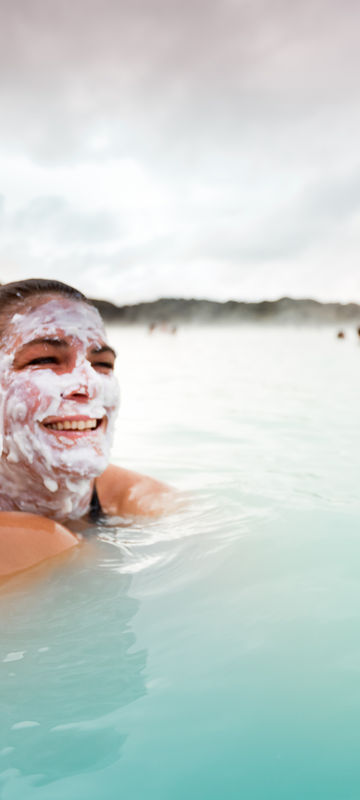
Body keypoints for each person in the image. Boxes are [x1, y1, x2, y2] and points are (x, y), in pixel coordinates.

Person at [0, 279, 174, 578]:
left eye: (102, 364)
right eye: (44, 359)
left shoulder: (144, 499)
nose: (89, 384)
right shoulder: (45, 543)